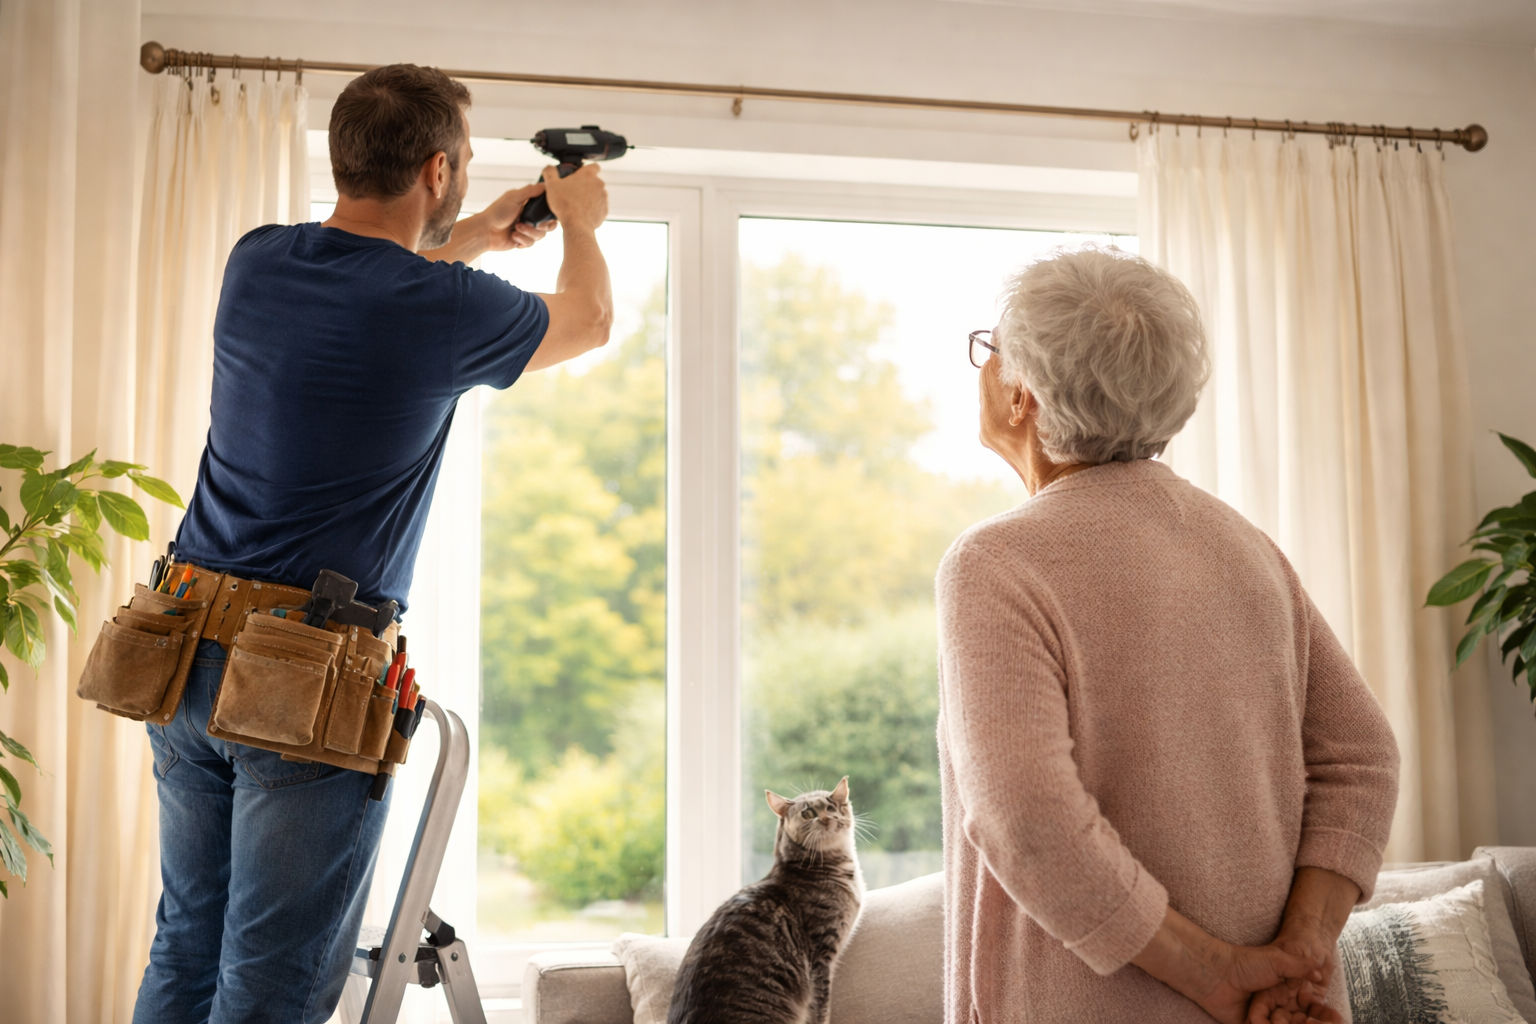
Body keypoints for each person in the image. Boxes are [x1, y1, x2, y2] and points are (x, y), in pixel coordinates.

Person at [133, 64, 612, 1024]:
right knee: (273, 981)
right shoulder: (442, 311)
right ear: (437, 168)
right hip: (303, 678)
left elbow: (381, 280)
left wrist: (479, 233)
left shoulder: (259, 259)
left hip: (183, 647)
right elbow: (588, 322)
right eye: (464, 163)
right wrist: (583, 226)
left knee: (188, 944)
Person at [936, 246, 1400, 1024]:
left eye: (991, 349)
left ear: (1022, 395)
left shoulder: (993, 563)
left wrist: (1219, 975)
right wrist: (1301, 953)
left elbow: (1027, 822)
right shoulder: (1244, 545)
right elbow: (1365, 756)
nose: (982, 368)